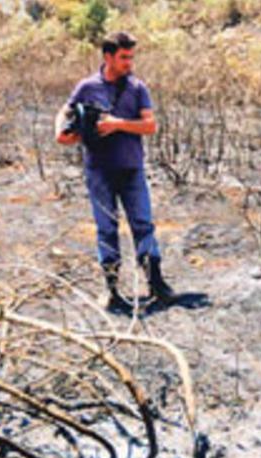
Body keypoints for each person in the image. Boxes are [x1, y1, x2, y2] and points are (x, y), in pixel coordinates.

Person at [55, 31, 176, 312]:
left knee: (143, 225)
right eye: (123, 57)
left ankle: (157, 285)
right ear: (108, 57)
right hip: (99, 171)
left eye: (131, 57)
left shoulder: (137, 88)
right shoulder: (87, 87)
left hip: (131, 169)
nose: (129, 63)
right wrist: (61, 131)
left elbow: (150, 126)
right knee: (107, 229)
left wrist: (117, 124)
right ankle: (111, 290)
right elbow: (65, 112)